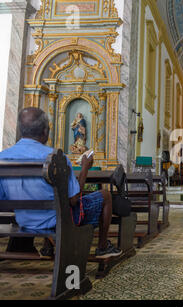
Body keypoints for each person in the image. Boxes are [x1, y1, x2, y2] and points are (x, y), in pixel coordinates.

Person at [0, 108, 122, 259]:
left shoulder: (2, 158)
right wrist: (84, 168)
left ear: (20, 129)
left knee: (47, 197)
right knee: (105, 196)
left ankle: (47, 247)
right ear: (46, 131)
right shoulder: (56, 158)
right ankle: (103, 247)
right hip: (56, 221)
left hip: (24, 219)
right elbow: (73, 199)